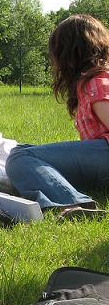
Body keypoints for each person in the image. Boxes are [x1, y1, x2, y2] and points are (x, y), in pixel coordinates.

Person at [6, 14, 109, 214]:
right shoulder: (91, 82)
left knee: (20, 156)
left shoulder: (97, 82)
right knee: (23, 151)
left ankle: (73, 203)